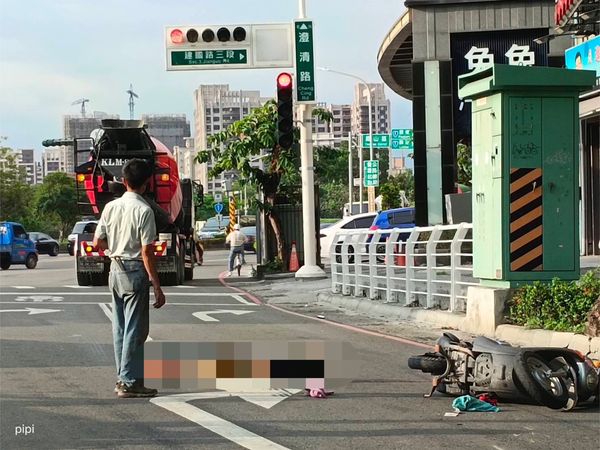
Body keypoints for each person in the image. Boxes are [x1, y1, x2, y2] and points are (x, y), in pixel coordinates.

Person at [93, 158, 166, 398]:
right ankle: (129, 381)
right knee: (136, 329)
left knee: (120, 328)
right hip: (135, 271)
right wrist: (157, 285)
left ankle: (123, 377)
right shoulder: (144, 210)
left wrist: (112, 251)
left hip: (114, 269)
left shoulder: (111, 207)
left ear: (124, 181)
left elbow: (97, 242)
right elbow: (146, 252)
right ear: (146, 184)